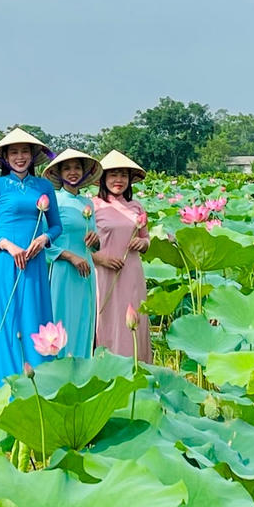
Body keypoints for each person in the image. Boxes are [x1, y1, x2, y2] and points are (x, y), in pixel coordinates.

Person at [0, 128, 62, 386]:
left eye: (25, 152)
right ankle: (4, 389)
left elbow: (56, 226)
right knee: (6, 326)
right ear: (5, 157)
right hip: (5, 265)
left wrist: (44, 239)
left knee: (35, 322)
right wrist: (6, 244)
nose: (20, 157)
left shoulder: (44, 187)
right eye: (14, 152)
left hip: (34, 267)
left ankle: (39, 389)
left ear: (33, 155)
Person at [91, 150, 151, 363]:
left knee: (134, 320)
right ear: (103, 179)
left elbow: (147, 239)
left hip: (131, 273)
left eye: (123, 175)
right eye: (113, 174)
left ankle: (137, 367)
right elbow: (82, 244)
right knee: (107, 320)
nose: (118, 180)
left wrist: (143, 243)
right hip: (104, 273)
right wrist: (100, 259)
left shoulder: (136, 207)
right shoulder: (93, 206)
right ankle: (108, 368)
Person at [43, 149, 103, 359]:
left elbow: (94, 243)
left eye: (77, 167)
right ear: (58, 173)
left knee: (84, 320)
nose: (73, 172)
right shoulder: (53, 200)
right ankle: (59, 370)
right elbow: (44, 241)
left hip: (86, 272)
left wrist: (96, 242)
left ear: (84, 172)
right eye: (67, 168)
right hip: (64, 270)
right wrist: (70, 256)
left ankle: (82, 370)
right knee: (63, 320)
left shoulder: (88, 203)